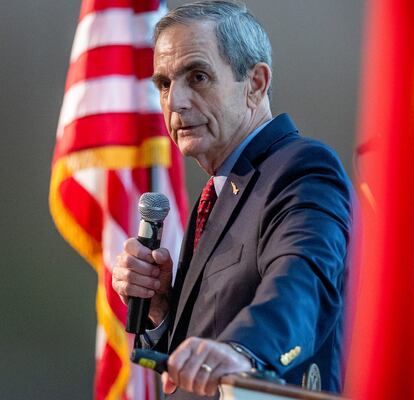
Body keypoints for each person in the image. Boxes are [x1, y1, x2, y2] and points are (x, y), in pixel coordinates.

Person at [112, 1, 352, 398]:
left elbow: (304, 279)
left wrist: (243, 351)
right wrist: (161, 309)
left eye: (198, 76)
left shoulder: (303, 169)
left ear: (255, 83)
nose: (175, 102)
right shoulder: (221, 189)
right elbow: (202, 351)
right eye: (165, 84)